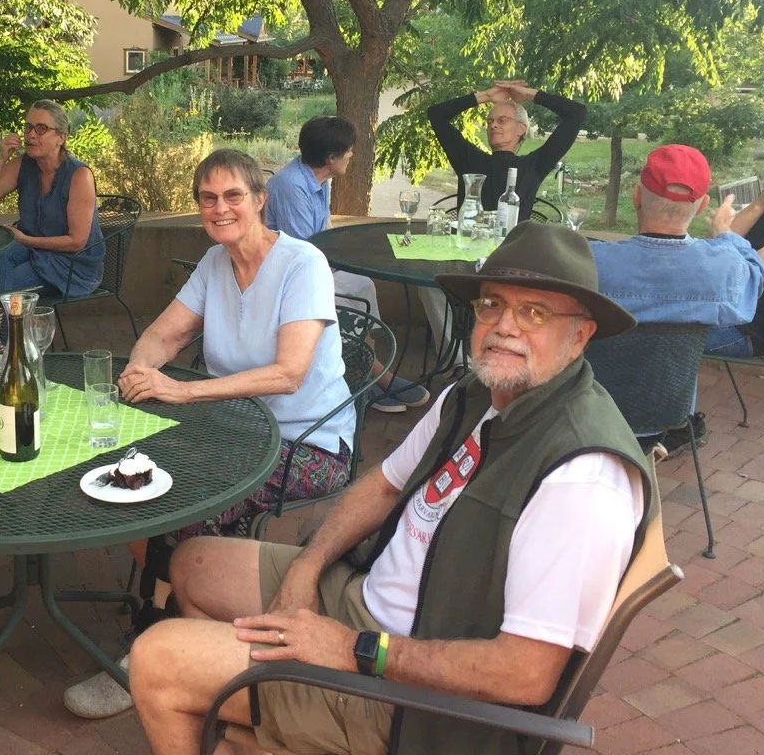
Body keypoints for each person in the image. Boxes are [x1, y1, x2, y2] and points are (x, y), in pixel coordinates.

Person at [128, 222, 652, 755]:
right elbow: (382, 486)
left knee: (157, 661)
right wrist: (307, 568)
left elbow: (526, 675)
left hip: (413, 703)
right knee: (192, 565)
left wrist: (356, 650)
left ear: (581, 334)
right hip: (370, 602)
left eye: (534, 312)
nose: (503, 327)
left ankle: (257, 719)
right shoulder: (475, 394)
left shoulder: (580, 477)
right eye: (492, 304)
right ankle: (262, 725)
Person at [64, 149, 355, 719]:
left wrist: (180, 392)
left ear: (259, 200)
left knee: (188, 499)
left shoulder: (302, 264)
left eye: (233, 196)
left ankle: (147, 645)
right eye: (207, 198)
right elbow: (165, 337)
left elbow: (289, 374)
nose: (220, 209)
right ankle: (185, 612)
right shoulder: (214, 263)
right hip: (233, 433)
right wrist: (138, 372)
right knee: (135, 473)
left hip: (308, 442)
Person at [591, 144, 763, 456]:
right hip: (668, 422)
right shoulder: (722, 269)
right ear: (701, 207)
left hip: (587, 417)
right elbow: (754, 276)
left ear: (637, 196)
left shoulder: (590, 262)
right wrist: (726, 232)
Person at [265, 116, 429, 413]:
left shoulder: (319, 178)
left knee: (362, 284)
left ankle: (364, 375)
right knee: (351, 295)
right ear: (330, 158)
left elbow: (323, 233)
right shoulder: (291, 187)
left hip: (310, 266)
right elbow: (304, 253)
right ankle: (377, 377)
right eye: (348, 150)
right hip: (285, 279)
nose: (352, 155)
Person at [0, 100, 103, 296]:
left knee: (2, 285)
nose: (31, 135)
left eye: (41, 129)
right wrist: (1, 159)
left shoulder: (79, 175)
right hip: (32, 249)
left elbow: (76, 242)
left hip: (70, 265)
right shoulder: (24, 164)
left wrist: (26, 239)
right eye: (28, 128)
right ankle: (5, 320)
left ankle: (2, 323)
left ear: (61, 137)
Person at [428, 79, 585, 219]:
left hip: (514, 250)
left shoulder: (534, 165)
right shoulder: (469, 160)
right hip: (470, 248)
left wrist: (531, 95)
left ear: (521, 128)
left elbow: (576, 113)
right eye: (490, 122)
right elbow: (436, 114)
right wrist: (485, 96)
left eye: (502, 120)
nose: (494, 125)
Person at [707, 119, 764, 359]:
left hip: (745, 331)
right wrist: (761, 202)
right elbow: (713, 246)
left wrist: (722, 229)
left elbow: (743, 272)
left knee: (657, 330)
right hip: (722, 310)